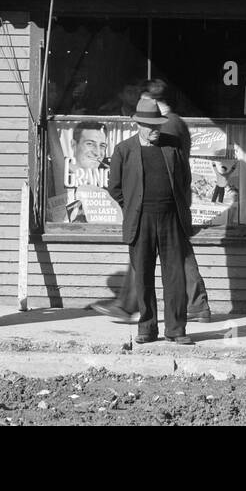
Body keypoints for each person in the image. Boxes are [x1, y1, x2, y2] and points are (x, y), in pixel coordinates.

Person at [91, 80, 213, 323]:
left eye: (146, 99)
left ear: (156, 101)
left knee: (159, 259)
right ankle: (196, 306)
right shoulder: (174, 123)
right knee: (177, 256)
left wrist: (137, 202)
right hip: (166, 206)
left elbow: (173, 171)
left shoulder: (169, 127)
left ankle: (137, 308)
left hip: (167, 206)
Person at [105, 95, 194, 345]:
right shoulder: (124, 150)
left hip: (171, 219)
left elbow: (185, 181)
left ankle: (176, 330)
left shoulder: (173, 145)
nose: (155, 130)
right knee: (143, 277)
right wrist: (132, 206)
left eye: (158, 125)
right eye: (150, 126)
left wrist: (180, 209)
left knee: (175, 277)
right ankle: (147, 328)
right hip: (140, 220)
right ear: (138, 125)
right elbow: (115, 188)